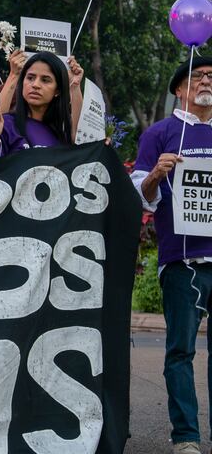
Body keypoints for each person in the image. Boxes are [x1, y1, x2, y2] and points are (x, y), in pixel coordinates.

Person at [133, 56, 212, 454]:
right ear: (179, 89)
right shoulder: (160, 134)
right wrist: (156, 174)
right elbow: (139, 197)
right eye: (198, 75)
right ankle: (186, 437)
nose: (207, 81)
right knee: (180, 351)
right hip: (181, 261)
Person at [0, 51, 80, 158]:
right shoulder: (7, 125)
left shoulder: (61, 134)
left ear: (57, 90)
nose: (35, 85)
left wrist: (75, 86)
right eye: (30, 78)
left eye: (45, 80)